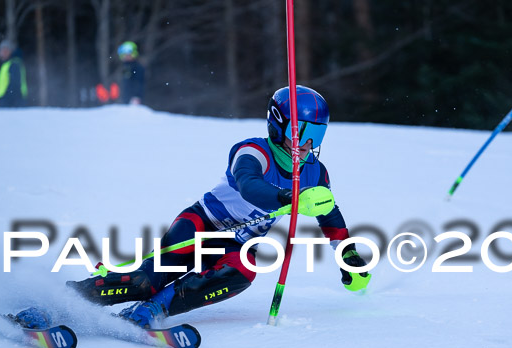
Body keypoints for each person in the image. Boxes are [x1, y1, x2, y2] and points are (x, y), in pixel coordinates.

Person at [64, 85, 370, 329]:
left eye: (315, 134)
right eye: (299, 131)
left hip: (236, 244)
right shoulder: (252, 151)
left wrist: (348, 255)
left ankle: (151, 312)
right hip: (202, 225)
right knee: (147, 282)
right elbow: (250, 186)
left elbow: (329, 214)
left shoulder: (315, 171)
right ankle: (67, 298)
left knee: (244, 270)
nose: (305, 143)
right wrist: (288, 198)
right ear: (278, 124)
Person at [0, 40, 27, 107]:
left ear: (10, 51)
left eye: (5, 51)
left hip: (12, 101)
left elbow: (15, 84)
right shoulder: (6, 64)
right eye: (2, 51)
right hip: (6, 99)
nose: (3, 53)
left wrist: (7, 97)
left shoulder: (14, 64)